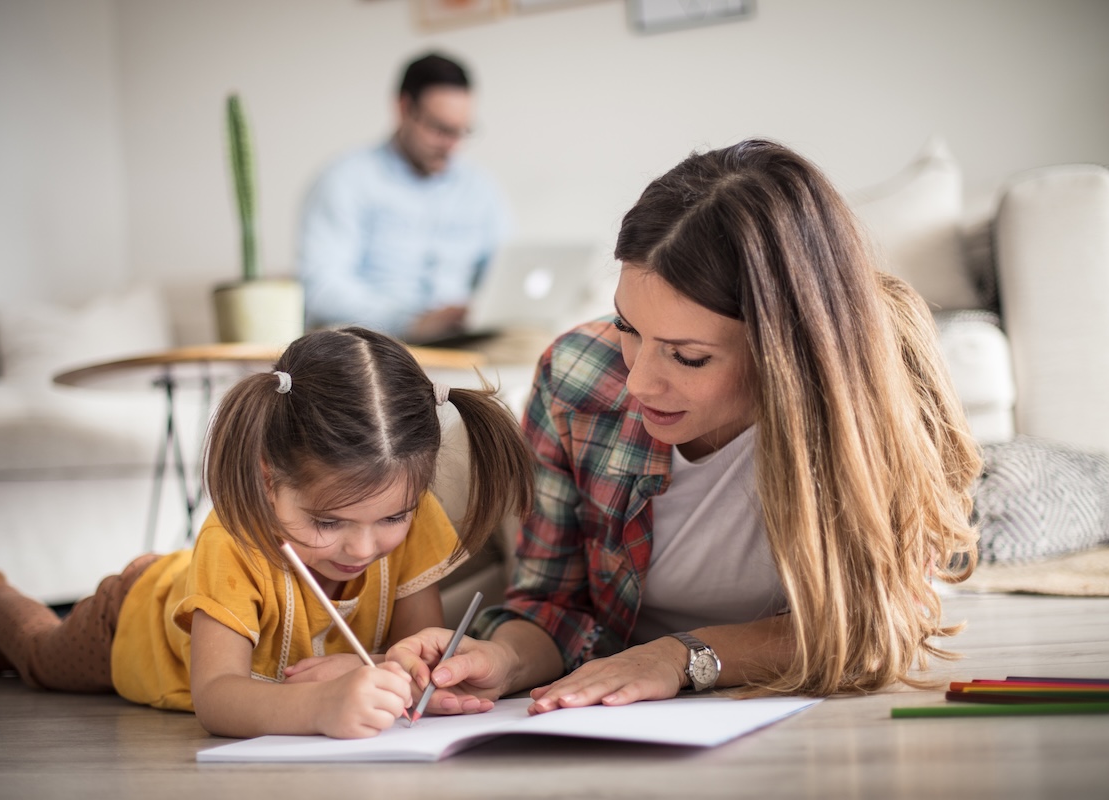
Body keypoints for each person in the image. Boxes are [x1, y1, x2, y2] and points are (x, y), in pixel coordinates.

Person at [388, 138, 982, 716]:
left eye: (688, 357)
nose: (639, 383)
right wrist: (500, 660)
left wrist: (682, 657)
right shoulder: (575, 376)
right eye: (627, 328)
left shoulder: (877, 392)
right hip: (626, 707)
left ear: (784, 349)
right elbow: (555, 606)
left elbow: (877, 627)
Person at [0, 327, 534, 739]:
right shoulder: (234, 540)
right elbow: (217, 696)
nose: (364, 548)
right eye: (327, 522)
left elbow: (407, 645)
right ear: (269, 481)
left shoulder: (412, 518)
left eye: (391, 518)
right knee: (40, 660)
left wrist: (406, 668)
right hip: (128, 624)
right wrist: (322, 706)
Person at [298, 51, 511, 344]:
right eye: (440, 129)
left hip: (464, 341)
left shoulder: (480, 187)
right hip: (378, 345)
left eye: (461, 131)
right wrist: (410, 322)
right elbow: (320, 289)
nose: (451, 145)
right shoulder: (345, 179)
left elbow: (503, 271)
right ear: (403, 108)